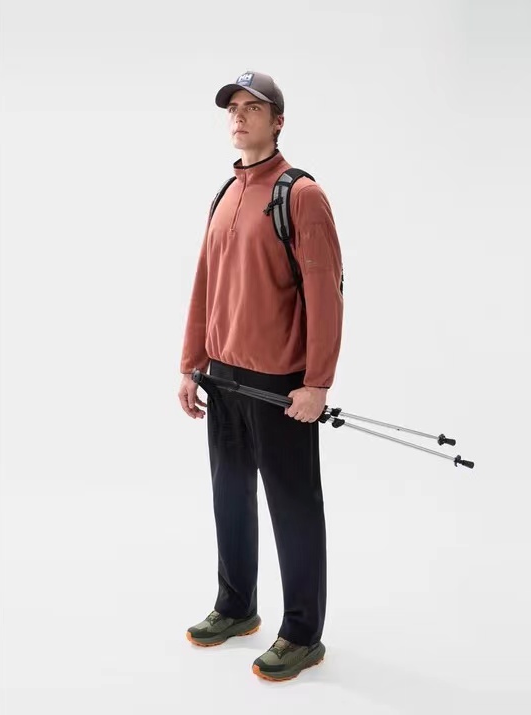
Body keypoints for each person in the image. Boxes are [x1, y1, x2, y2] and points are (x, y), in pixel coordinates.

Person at [177, 70, 344, 682]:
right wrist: (190, 363)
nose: (240, 117)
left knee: (293, 507)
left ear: (278, 121)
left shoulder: (301, 195)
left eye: (254, 108)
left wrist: (317, 383)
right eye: (234, 108)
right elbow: (205, 283)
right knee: (230, 498)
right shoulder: (225, 193)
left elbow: (326, 294)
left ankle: (301, 634)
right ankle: (236, 606)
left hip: (280, 383)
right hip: (222, 377)